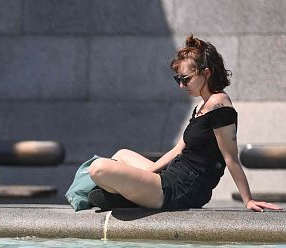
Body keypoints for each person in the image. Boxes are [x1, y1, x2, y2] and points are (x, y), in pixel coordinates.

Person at [88, 35, 282, 212]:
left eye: (186, 79)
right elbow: (177, 150)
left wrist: (248, 200)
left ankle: (128, 196)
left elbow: (231, 157)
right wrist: (142, 174)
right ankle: (130, 195)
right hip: (169, 178)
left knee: (98, 168)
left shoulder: (219, 103)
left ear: (206, 73)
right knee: (122, 155)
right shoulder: (201, 106)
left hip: (182, 189)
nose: (181, 85)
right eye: (178, 79)